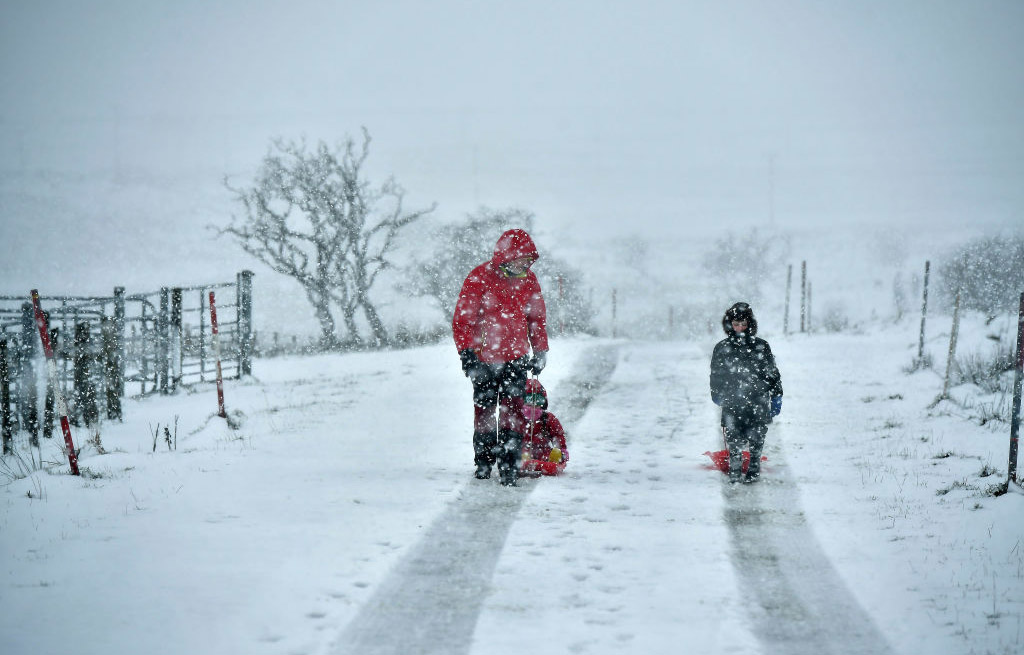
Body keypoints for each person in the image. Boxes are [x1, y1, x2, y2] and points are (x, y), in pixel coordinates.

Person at [453, 229, 549, 486]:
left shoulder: (529, 281)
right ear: (506, 257)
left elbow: (536, 319)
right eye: (521, 259)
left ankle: (509, 464)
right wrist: (467, 354)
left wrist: (540, 351)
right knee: (485, 410)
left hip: (516, 358)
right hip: (483, 359)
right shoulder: (480, 277)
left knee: (513, 411)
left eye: (529, 260)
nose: (525, 264)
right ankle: (484, 461)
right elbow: (464, 319)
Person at [709, 302, 783, 484]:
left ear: (750, 324)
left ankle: (754, 468)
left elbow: (772, 373)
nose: (740, 328)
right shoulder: (722, 348)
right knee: (733, 438)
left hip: (757, 399)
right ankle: (735, 469)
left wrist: (776, 396)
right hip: (732, 400)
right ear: (729, 325)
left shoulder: (761, 346)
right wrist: (716, 393)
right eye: (736, 324)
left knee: (757, 437)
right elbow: (716, 374)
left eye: (743, 324)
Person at [519, 378, 569, 477]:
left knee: (554, 456)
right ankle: (529, 464)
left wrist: (561, 452)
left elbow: (558, 437)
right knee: (521, 457)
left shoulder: (548, 419)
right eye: (528, 403)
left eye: (537, 404)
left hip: (543, 452)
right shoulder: (517, 418)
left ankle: (535, 464)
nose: (532, 407)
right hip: (522, 451)